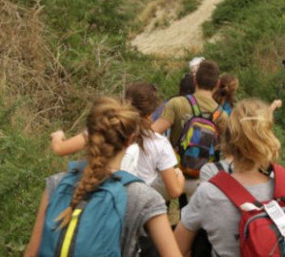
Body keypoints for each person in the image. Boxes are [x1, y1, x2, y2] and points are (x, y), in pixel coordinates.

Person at [22, 97, 184, 257]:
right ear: (131, 140)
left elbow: (31, 256)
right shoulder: (142, 197)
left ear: (88, 135)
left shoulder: (57, 183)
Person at [173, 98, 282, 257]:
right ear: (266, 136)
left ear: (228, 138)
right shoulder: (281, 185)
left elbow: (176, 250)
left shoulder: (209, 192)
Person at [50, 81, 185, 199]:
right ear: (150, 114)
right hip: (137, 205)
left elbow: (60, 149)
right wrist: (180, 177)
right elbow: (175, 191)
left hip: (102, 197)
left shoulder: (105, 128)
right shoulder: (159, 143)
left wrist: (58, 135)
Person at [152, 59, 227, 201]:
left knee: (146, 197)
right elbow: (225, 147)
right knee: (195, 220)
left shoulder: (177, 103)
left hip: (173, 174)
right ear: (217, 84)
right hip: (201, 179)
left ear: (194, 80)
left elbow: (152, 133)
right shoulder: (222, 115)